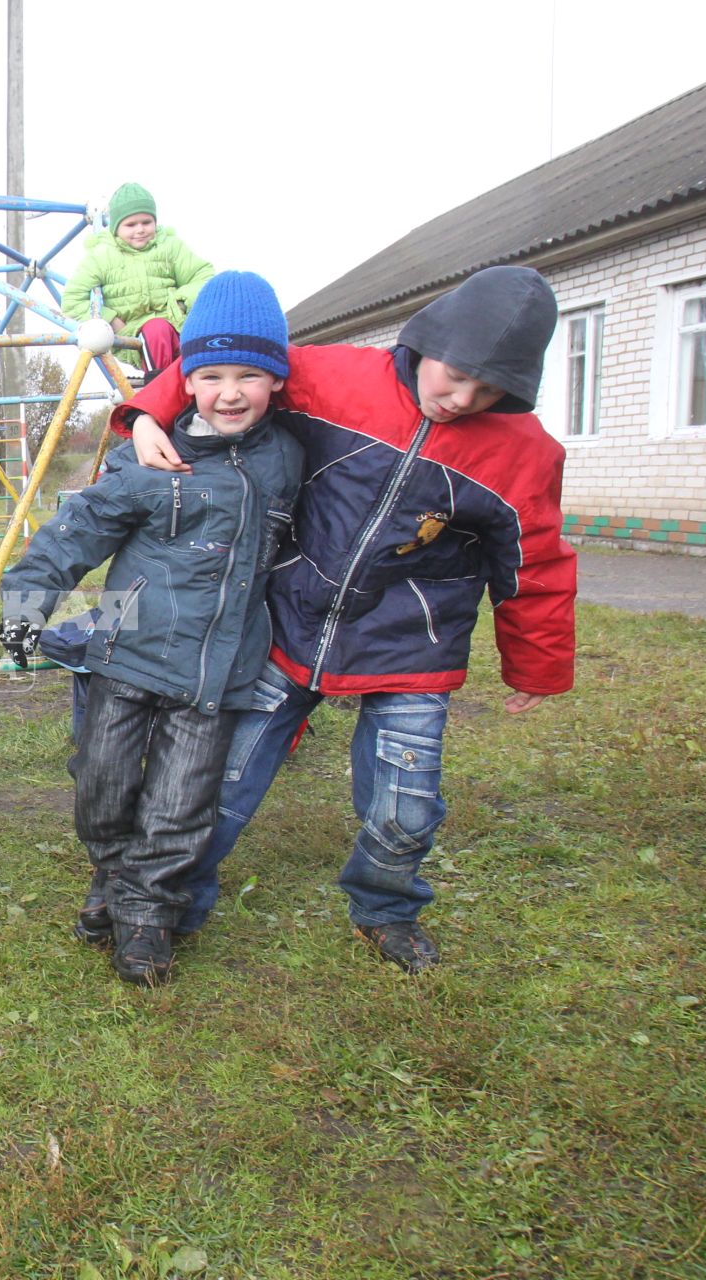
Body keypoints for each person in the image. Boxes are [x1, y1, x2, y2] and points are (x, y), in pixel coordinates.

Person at [113, 265, 576, 972]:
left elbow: (535, 566)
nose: (462, 398)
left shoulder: (523, 453)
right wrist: (148, 412)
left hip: (410, 651)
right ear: (430, 340)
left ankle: (386, 909)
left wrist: (539, 665)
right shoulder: (334, 379)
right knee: (215, 781)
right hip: (289, 625)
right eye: (455, 375)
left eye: (488, 389)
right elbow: (223, 359)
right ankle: (170, 902)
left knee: (405, 805)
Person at [0, 272, 306, 986]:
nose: (231, 393)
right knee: (100, 787)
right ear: (186, 382)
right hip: (126, 656)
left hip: (214, 674)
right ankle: (110, 875)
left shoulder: (287, 458)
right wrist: (25, 609)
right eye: (211, 375)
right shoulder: (146, 458)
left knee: (179, 806)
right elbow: (71, 537)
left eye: (251, 376)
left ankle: (145, 919)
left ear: (277, 382)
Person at [59, 182, 214, 373]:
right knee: (157, 331)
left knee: (210, 336)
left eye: (146, 222)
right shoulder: (102, 255)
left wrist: (180, 302)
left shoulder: (169, 246)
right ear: (116, 228)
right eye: (131, 225)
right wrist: (110, 319)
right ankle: (160, 387)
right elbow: (72, 300)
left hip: (178, 323)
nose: (140, 230)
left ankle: (202, 383)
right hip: (134, 332)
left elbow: (204, 277)